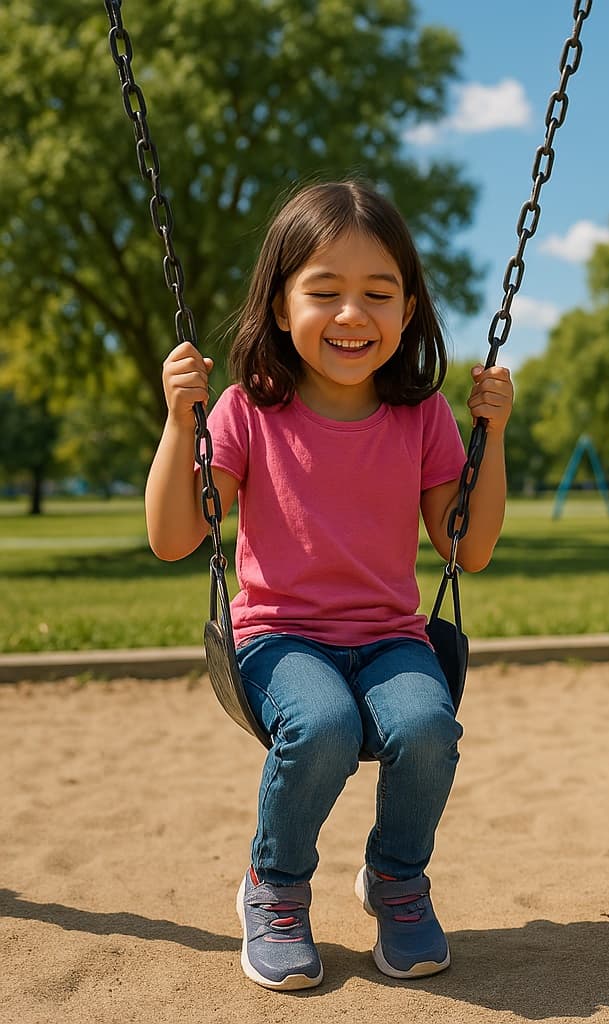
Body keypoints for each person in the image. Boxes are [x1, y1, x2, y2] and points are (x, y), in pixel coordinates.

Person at [145, 180, 513, 990]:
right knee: (323, 724)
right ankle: (273, 885)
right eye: (325, 292)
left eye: (379, 294)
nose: (353, 314)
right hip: (281, 638)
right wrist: (181, 425)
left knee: (427, 727)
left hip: (391, 638)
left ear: (409, 309)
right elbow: (174, 536)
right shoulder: (246, 412)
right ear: (280, 306)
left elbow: (469, 548)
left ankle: (396, 879)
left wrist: (494, 434)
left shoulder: (421, 418)